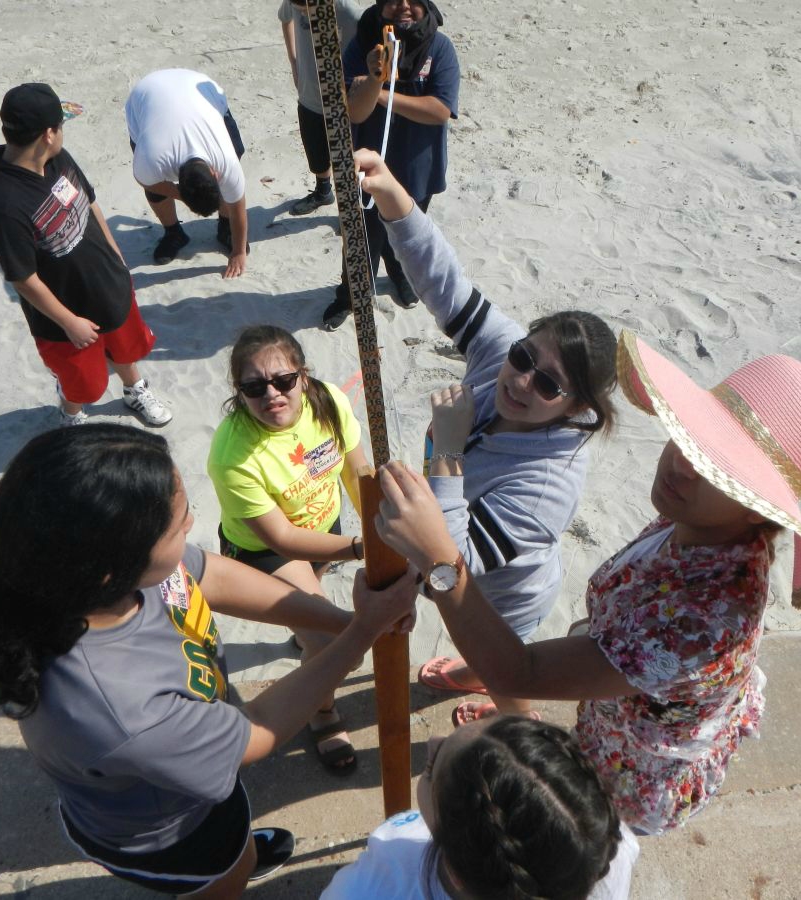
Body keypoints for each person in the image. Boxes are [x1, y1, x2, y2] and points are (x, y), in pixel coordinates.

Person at [372, 325, 801, 835]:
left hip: (631, 776)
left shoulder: (700, 621)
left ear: (759, 510)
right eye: (692, 438)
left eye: (719, 470)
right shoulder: (705, 524)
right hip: (622, 712)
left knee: (576, 838)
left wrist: (439, 560)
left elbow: (519, 672)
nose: (683, 464)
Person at [0, 424, 416, 898]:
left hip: (189, 769)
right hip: (171, 832)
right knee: (223, 875)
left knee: (237, 840)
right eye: (178, 523)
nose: (191, 523)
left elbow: (211, 576)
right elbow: (255, 728)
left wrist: (341, 621)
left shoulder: (95, 576)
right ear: (112, 568)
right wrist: (362, 632)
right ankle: (232, 867)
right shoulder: (121, 709)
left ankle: (242, 851)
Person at [353, 151, 617, 725]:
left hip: (499, 599)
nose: (520, 380)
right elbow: (444, 282)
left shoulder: (548, 485)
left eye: (548, 384)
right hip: (455, 568)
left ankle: (515, 722)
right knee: (476, 659)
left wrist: (447, 454)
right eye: (525, 357)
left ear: (578, 408)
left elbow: (456, 564)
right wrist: (395, 200)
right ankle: (473, 673)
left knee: (504, 673)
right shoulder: (503, 353)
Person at [207, 326, 370, 772]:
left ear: (303, 375)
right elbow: (281, 538)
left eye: (283, 380)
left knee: (310, 620)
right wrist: (363, 547)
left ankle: (303, 634)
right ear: (238, 391)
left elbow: (356, 472)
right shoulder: (232, 456)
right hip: (266, 551)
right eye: (254, 387)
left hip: (324, 528)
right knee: (333, 641)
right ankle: (322, 711)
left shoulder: (328, 400)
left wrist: (377, 526)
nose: (272, 395)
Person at [0, 83, 172, 428]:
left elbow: (90, 201)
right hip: (64, 321)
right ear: (49, 134)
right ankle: (71, 412)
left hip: (109, 285)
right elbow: (23, 278)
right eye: (61, 125)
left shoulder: (57, 159)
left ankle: (134, 390)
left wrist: (115, 255)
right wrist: (69, 322)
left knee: (126, 349)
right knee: (84, 383)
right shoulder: (2, 203)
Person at [321, 716, 639, 899]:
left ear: (456, 876)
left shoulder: (368, 884)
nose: (433, 740)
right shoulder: (609, 849)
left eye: (431, 768)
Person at [321, 0, 459, 330]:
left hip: (416, 169)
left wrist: (384, 96)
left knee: (406, 235)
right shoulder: (362, 44)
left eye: (412, 1)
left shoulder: (439, 48)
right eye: (393, 1)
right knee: (360, 242)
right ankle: (350, 296)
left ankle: (399, 274)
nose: (403, 7)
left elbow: (440, 110)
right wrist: (374, 78)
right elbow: (355, 112)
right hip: (368, 170)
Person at [125, 68, 249, 274]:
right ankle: (173, 233)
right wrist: (179, 194)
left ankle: (225, 227)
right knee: (154, 187)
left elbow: (238, 204)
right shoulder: (152, 159)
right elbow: (146, 181)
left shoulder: (227, 161)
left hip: (199, 87)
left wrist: (239, 252)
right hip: (146, 94)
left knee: (237, 153)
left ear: (216, 174)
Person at [278, 0, 365, 215]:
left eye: (306, 9)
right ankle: (323, 191)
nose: (302, 13)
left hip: (341, 104)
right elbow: (285, 18)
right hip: (308, 96)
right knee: (316, 152)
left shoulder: (348, 13)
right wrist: (293, 61)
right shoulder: (294, 2)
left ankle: (351, 210)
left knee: (347, 163)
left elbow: (368, 51)